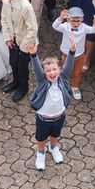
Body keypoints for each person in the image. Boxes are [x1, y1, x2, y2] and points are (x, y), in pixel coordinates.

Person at [26, 39, 75, 171]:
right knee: (41, 138)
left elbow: (69, 65)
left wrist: (72, 51)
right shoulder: (42, 81)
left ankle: (53, 148)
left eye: (54, 69)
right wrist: (33, 55)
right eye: (48, 71)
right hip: (43, 119)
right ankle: (41, 152)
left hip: (59, 116)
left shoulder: (63, 78)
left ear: (59, 69)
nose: (52, 73)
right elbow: (36, 68)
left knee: (55, 135)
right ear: (44, 73)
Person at [0, 0, 38, 102]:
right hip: (13, 40)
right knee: (13, 62)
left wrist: (23, 47)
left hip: (25, 42)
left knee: (22, 66)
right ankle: (15, 83)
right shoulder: (6, 1)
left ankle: (23, 87)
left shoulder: (25, 6)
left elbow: (32, 29)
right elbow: (4, 20)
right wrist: (7, 38)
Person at [51, 7, 95, 101]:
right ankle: (62, 85)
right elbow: (55, 26)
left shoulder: (84, 27)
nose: (76, 23)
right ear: (69, 19)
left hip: (79, 55)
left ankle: (74, 86)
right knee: (65, 71)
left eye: (78, 21)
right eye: (73, 21)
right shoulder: (65, 26)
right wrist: (60, 18)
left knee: (77, 72)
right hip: (67, 54)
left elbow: (94, 30)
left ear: (82, 19)